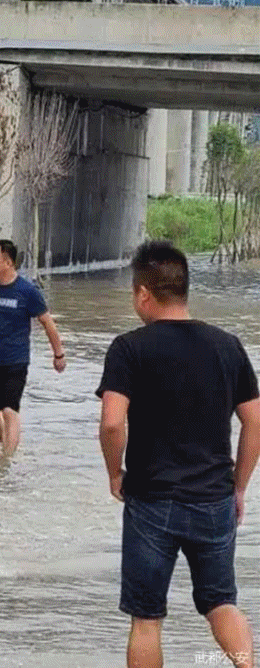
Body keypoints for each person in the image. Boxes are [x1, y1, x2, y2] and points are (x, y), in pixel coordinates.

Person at [97, 240, 260, 668]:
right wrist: (238, 486)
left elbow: (113, 422)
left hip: (151, 500)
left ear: (144, 294)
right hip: (214, 499)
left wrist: (116, 474)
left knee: (147, 618)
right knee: (221, 603)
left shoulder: (129, 348)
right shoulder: (228, 346)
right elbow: (256, 421)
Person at [0, 239, 66, 457]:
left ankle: (7, 460)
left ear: (8, 262)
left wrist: (58, 354)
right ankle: (4, 448)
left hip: (15, 360)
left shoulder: (27, 291)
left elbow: (47, 322)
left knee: (9, 410)